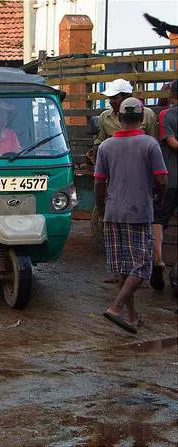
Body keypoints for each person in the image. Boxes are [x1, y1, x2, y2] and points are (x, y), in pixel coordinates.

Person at [94, 97, 167, 334]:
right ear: (142, 116)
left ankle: (132, 317)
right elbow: (161, 178)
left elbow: (99, 183)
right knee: (143, 266)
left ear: (120, 117)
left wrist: (102, 209)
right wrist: (159, 196)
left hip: (113, 211)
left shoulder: (105, 147)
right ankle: (116, 308)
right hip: (139, 211)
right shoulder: (149, 144)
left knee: (125, 268)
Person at [88, 79, 158, 285]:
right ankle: (118, 270)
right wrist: (94, 151)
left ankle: (138, 270)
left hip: (139, 175)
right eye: (110, 98)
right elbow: (100, 140)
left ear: (127, 97)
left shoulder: (148, 116)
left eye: (115, 98)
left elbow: (153, 143)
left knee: (138, 226)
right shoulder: (105, 118)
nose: (111, 101)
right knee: (112, 223)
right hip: (114, 174)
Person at [151, 80, 178, 290]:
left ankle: (158, 260)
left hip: (170, 178)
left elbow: (171, 142)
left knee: (158, 220)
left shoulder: (166, 115)